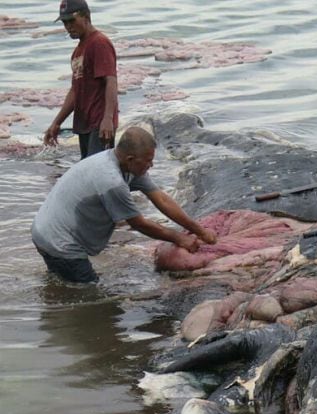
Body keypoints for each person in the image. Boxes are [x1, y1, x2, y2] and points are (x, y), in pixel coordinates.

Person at [31, 126, 217, 283]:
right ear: (130, 159)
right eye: (148, 161)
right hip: (60, 242)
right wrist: (179, 238)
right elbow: (138, 223)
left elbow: (162, 199)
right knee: (92, 295)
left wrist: (198, 230)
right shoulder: (111, 181)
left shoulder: (124, 164)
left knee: (61, 284)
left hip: (44, 231)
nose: (151, 165)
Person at [44, 0, 118, 159]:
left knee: (97, 173)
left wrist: (108, 119)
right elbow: (75, 91)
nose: (68, 26)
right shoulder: (78, 51)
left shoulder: (99, 43)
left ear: (86, 17)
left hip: (100, 124)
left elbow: (110, 81)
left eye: (72, 20)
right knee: (87, 171)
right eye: (65, 22)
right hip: (84, 124)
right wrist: (57, 122)